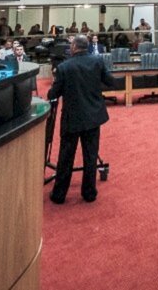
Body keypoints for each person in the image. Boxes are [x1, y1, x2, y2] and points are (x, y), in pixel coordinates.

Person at [48, 35, 113, 204]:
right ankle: (89, 193)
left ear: (75, 47)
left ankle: (59, 194)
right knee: (90, 156)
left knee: (66, 157)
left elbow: (52, 94)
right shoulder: (98, 62)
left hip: (72, 119)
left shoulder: (63, 67)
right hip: (93, 117)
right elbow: (110, 82)